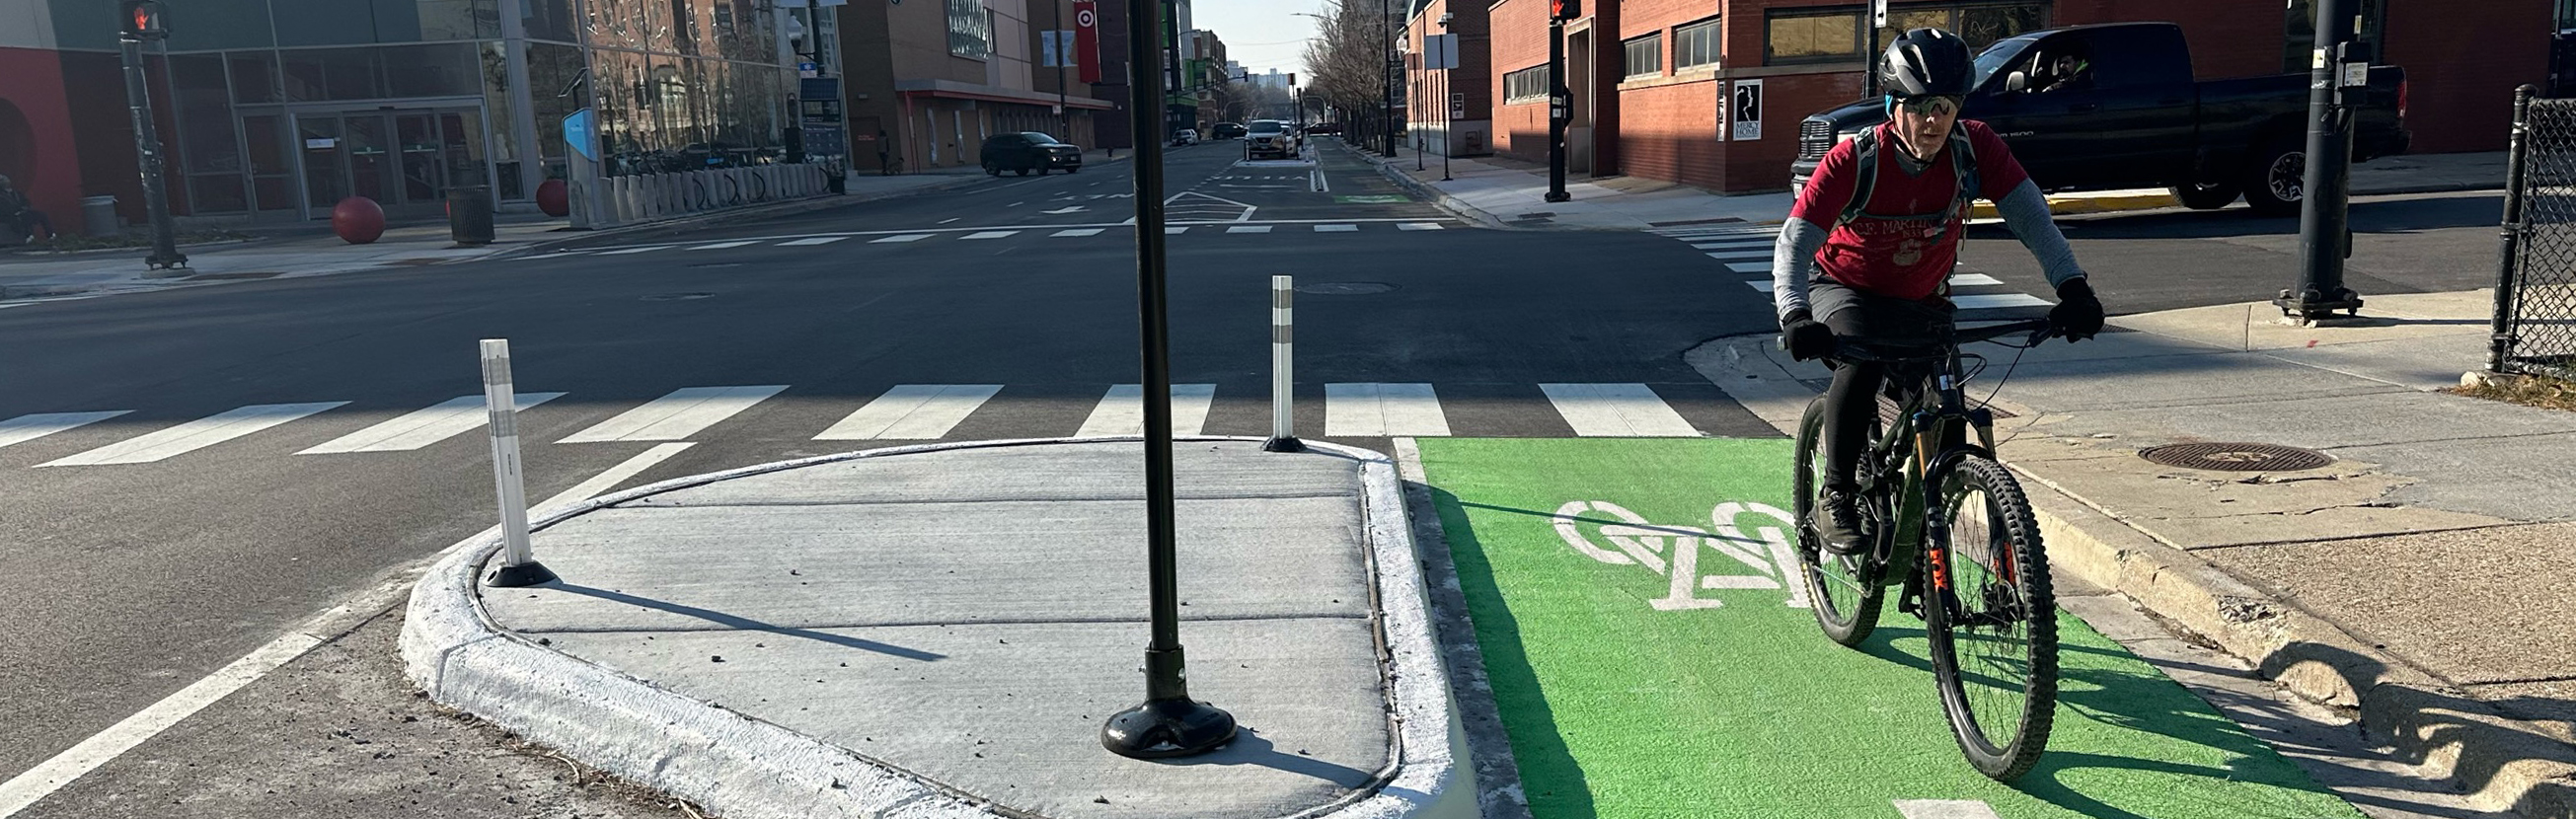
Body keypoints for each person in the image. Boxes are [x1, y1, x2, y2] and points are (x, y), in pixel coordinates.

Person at [1770, 28, 2105, 555]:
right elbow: (1795, 241)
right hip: (1845, 288)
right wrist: (1794, 314)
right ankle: (1836, 494)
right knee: (1861, 365)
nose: (1933, 120)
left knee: (1948, 423)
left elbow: (2032, 218)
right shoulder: (1855, 160)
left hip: (1921, 300)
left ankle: (1930, 552)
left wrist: (2073, 287)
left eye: (1945, 106)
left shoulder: (1974, 149)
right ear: (1892, 105)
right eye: (1920, 105)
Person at [0, 175, 54, 243]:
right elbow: (4, 208)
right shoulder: (1, 196)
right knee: (23, 218)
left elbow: (26, 202)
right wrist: (17, 211)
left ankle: (51, 235)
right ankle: (28, 236)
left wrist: (25, 208)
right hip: (9, 216)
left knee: (42, 215)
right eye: (2, 180)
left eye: (5, 179)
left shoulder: (17, 193)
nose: (5, 181)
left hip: (23, 211)